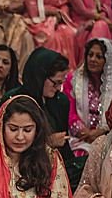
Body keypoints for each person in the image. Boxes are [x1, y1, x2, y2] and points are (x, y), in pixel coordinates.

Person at [19, 47, 83, 189]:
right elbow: (9, 146)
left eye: (61, 83)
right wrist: (47, 142)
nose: (58, 88)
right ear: (40, 76)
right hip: (24, 166)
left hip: (56, 164)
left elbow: (64, 149)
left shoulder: (60, 101)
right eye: (55, 83)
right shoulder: (18, 101)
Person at [65, 37, 112, 156]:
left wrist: (100, 132)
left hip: (109, 138)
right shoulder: (73, 80)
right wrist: (84, 132)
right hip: (80, 138)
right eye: (90, 55)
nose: (93, 59)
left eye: (99, 56)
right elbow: (70, 112)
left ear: (108, 61)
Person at [21, 0, 78, 70]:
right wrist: (49, 12)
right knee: (48, 35)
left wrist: (58, 16)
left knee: (69, 33)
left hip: (56, 19)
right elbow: (31, 5)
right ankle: (47, 69)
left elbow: (64, 5)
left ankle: (66, 70)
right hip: (36, 19)